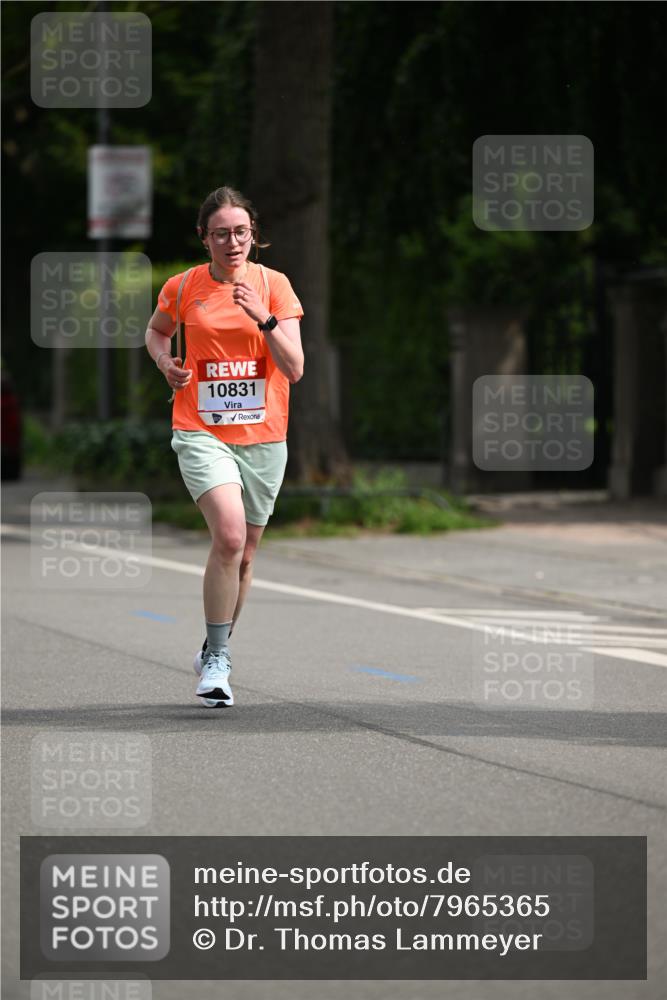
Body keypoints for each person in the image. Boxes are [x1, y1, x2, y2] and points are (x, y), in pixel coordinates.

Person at [145, 186, 304, 708]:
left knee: (246, 553)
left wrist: (264, 316)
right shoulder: (183, 285)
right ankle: (217, 660)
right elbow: (156, 332)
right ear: (204, 238)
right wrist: (166, 363)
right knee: (230, 537)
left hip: (264, 435)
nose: (232, 242)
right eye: (221, 234)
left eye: (241, 232)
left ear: (253, 235)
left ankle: (215, 645)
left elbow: (295, 368)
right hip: (200, 428)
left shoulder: (274, 286)